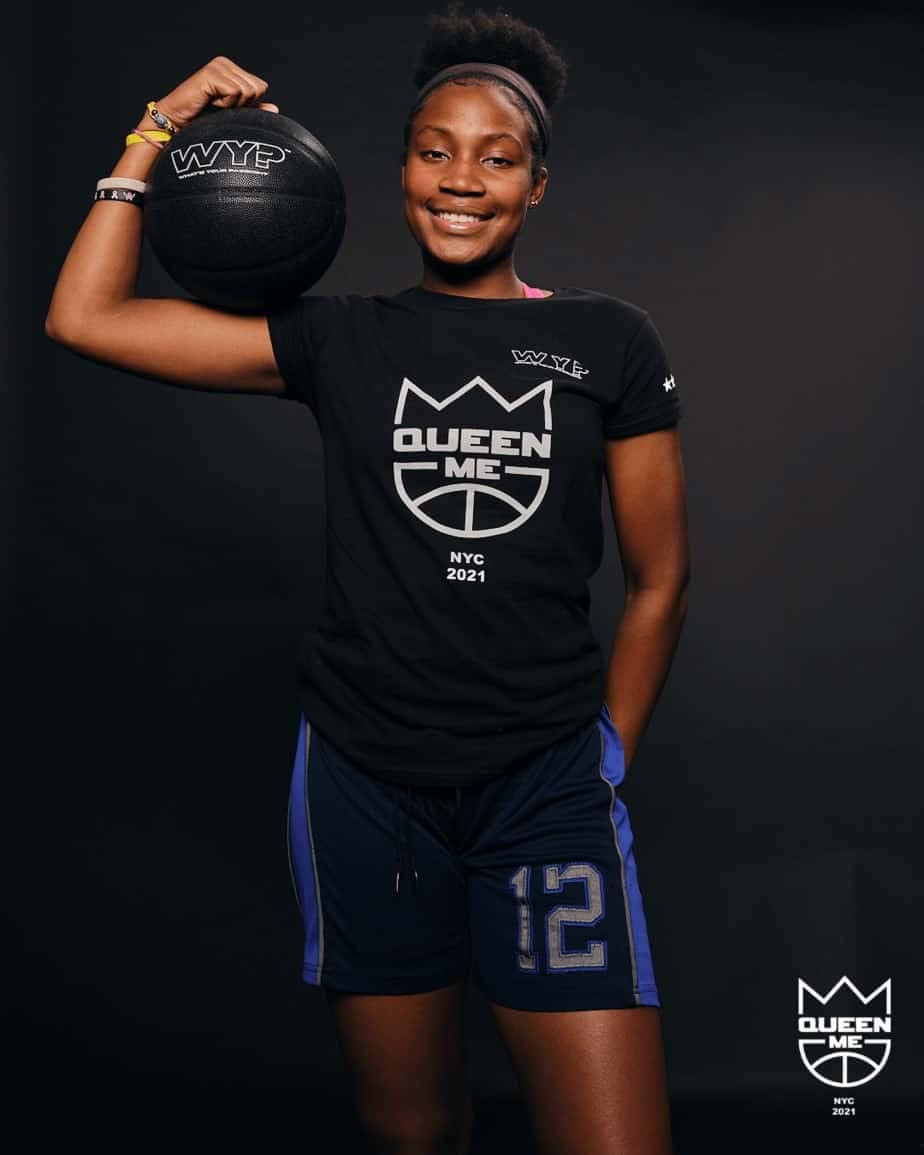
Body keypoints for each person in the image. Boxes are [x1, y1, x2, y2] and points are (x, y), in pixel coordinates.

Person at [46, 7, 689, 1153]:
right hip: (365, 782)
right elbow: (83, 316)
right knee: (412, 1133)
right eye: (436, 151)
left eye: (497, 158)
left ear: (537, 185)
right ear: (398, 171)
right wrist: (157, 126)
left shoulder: (611, 342)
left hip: (545, 784)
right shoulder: (340, 340)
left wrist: (608, 757)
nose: (463, 180)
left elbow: (660, 578)